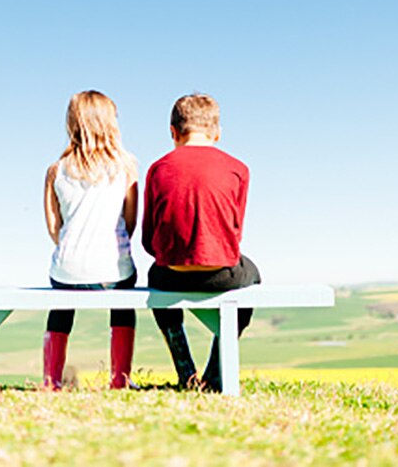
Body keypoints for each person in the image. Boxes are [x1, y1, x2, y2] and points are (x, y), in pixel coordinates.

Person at [142, 93, 262, 391]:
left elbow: (148, 239)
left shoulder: (158, 169)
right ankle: (215, 371)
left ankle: (186, 371)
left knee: (153, 274)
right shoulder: (239, 169)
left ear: (173, 132)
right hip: (221, 275)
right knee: (253, 277)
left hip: (170, 275)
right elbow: (234, 234)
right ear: (217, 133)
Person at [42, 90, 139, 389]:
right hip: (114, 270)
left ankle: (51, 381)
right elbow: (131, 221)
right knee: (124, 304)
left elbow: (53, 228)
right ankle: (120, 380)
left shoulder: (56, 170)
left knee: (60, 309)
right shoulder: (126, 166)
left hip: (66, 270)